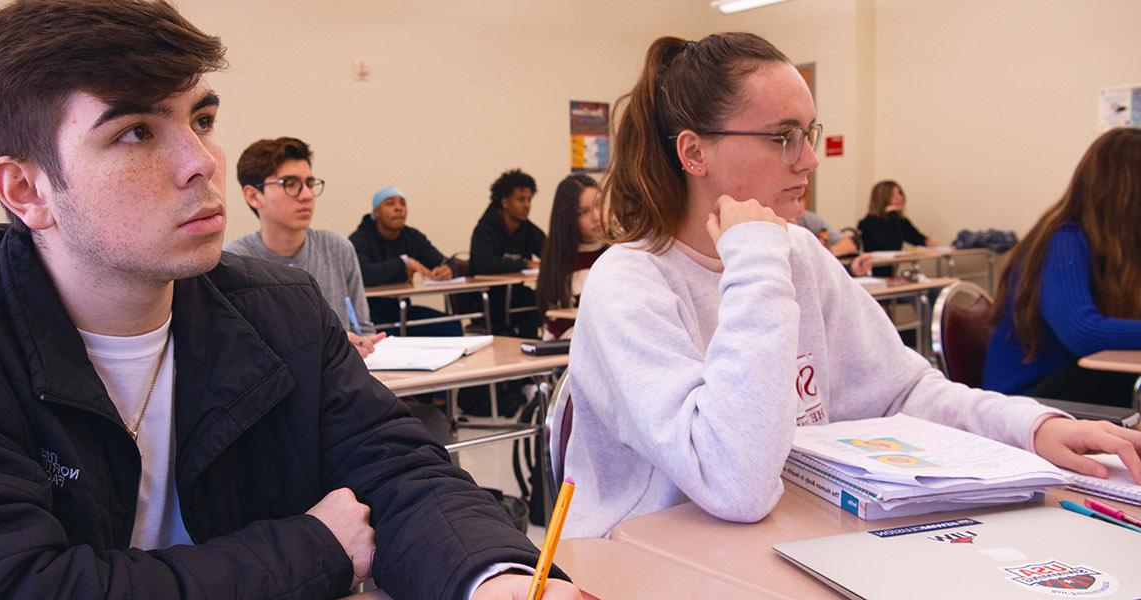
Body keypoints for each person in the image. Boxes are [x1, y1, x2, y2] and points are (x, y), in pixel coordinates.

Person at [0, 2, 582, 599]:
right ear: (27, 189)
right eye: (135, 132)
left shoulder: (274, 306)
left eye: (202, 118)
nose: (203, 161)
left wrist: (495, 580)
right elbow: (7, 588)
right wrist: (313, 550)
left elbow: (400, 472)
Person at [560, 33, 1141, 539]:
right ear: (694, 152)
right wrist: (757, 260)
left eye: (809, 132)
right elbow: (734, 483)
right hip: (644, 560)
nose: (810, 159)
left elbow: (902, 393)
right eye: (783, 136)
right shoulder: (630, 283)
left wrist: (1034, 428)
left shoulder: (797, 253)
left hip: (788, 534)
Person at [984, 127, 1141, 407]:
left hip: (1067, 386)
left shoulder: (1113, 248)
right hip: (1026, 402)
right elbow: (1082, 332)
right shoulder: (1063, 240)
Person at [223, 137, 385, 357]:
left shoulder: (338, 249)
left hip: (342, 384)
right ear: (253, 196)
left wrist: (363, 343)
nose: (307, 195)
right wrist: (328, 348)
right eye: (290, 184)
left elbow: (363, 329)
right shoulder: (234, 263)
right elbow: (235, 354)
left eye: (309, 183)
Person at [349, 185, 462, 336]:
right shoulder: (360, 239)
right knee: (389, 337)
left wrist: (448, 269)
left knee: (451, 325)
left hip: (402, 310)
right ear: (376, 212)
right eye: (390, 203)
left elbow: (444, 261)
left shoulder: (412, 237)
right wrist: (403, 263)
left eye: (402, 203)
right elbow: (365, 274)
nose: (398, 208)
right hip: (369, 315)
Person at [469, 169, 545, 337]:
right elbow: (486, 264)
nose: (527, 205)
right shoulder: (486, 228)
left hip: (516, 295)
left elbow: (550, 251)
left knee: (538, 301)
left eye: (529, 199)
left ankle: (533, 350)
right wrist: (524, 263)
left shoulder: (527, 228)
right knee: (524, 305)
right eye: (520, 199)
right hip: (486, 298)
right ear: (505, 202)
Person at [535, 174, 607, 340]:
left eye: (599, 205)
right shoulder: (559, 260)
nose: (596, 217)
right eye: (584, 212)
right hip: (569, 345)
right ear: (568, 219)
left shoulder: (619, 251)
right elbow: (559, 323)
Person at [858, 180, 937, 252]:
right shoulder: (869, 222)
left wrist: (926, 241)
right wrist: (892, 214)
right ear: (882, 199)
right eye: (892, 195)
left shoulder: (900, 220)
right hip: (872, 267)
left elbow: (915, 237)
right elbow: (893, 246)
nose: (899, 198)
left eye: (899, 193)